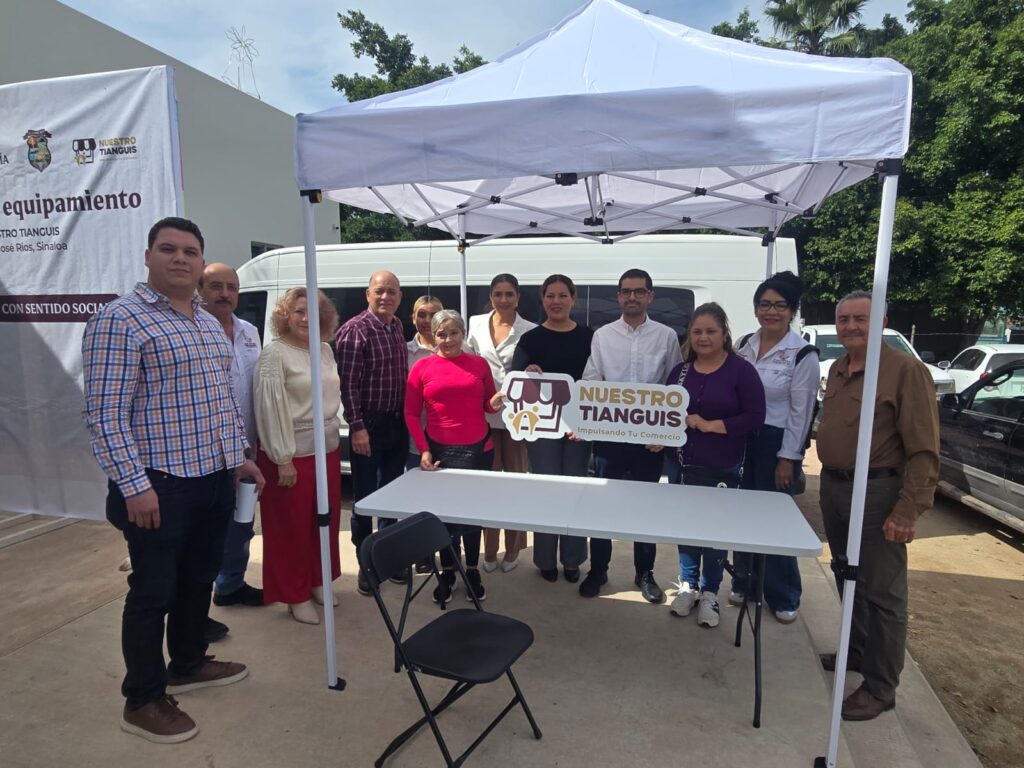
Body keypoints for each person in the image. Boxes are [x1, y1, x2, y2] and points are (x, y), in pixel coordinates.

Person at [82, 217, 264, 744]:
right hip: (159, 485)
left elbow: (220, 401)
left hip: (212, 478)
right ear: (148, 257)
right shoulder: (121, 319)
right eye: (168, 249)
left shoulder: (206, 321)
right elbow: (105, 415)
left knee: (198, 578)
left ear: (201, 261)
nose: (180, 258)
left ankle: (187, 662)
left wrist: (239, 458)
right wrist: (134, 485)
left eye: (190, 251)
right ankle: (142, 699)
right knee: (152, 592)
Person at [816, 291, 939, 721]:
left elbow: (924, 448)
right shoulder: (838, 367)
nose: (850, 326)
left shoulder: (905, 370)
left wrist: (908, 508)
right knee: (847, 574)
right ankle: (857, 651)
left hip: (878, 491)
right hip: (835, 487)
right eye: (843, 319)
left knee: (883, 592)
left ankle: (881, 687)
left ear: (882, 321)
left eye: (861, 319)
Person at [578, 269, 683, 602]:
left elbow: (675, 385)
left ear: (650, 296)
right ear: (619, 296)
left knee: (645, 510)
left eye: (639, 291)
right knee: (603, 509)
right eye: (626, 291)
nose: (632, 297)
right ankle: (598, 570)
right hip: (609, 438)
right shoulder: (603, 336)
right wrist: (582, 422)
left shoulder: (666, 336)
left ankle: (645, 573)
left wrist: (666, 433)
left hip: (649, 442)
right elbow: (591, 381)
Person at [666, 303, 765, 628]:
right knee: (686, 528)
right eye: (697, 332)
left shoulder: (741, 371)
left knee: (715, 532)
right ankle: (688, 586)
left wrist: (712, 426)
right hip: (682, 465)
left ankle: (710, 592)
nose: (703, 337)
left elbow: (755, 417)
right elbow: (664, 415)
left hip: (724, 465)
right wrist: (656, 435)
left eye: (711, 331)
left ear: (724, 334)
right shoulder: (680, 373)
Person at [731, 272, 819, 624]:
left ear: (792, 310)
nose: (771, 312)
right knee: (742, 515)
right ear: (755, 309)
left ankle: (783, 594)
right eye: (765, 304)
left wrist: (788, 458)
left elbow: (801, 413)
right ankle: (745, 583)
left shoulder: (802, 354)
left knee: (774, 520)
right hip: (742, 439)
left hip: (776, 443)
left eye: (780, 306)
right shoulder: (743, 344)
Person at [254, 288, 343, 625]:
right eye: (299, 311)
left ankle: (318, 579)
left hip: (328, 450)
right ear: (285, 316)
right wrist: (282, 458)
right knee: (290, 528)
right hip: (291, 454)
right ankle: (294, 594)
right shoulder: (274, 354)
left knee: (325, 520)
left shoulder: (324, 350)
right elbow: (269, 408)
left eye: (314, 311)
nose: (307, 318)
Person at [405, 309, 505, 605]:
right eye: (441, 334)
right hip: (439, 452)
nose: (448, 340)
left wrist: (498, 401)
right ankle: (448, 572)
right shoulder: (422, 367)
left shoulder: (479, 364)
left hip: (480, 450)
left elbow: (488, 405)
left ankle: (472, 570)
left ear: (463, 334)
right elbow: (410, 413)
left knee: (473, 515)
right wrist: (423, 448)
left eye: (454, 333)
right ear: (433, 336)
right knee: (443, 518)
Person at [511, 274, 593, 583]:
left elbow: (598, 381)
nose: (556, 301)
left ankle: (572, 560)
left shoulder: (589, 337)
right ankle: (545, 559)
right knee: (546, 493)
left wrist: (586, 423)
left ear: (573, 299)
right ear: (542, 300)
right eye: (550, 296)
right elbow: (515, 381)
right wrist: (527, 371)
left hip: (578, 429)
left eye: (562, 295)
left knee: (575, 492)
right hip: (542, 430)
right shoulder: (530, 339)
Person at [335, 271, 408, 595]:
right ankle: (366, 564)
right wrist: (357, 427)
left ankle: (387, 557)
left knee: (391, 495)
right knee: (365, 498)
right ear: (368, 294)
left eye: (391, 291)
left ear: (400, 297)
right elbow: (348, 385)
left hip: (396, 423)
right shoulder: (355, 330)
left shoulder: (397, 326)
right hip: (370, 426)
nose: (385, 297)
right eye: (379, 291)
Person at [199, 264, 265, 623]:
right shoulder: (193, 330)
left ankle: (230, 585)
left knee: (242, 523)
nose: (225, 294)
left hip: (248, 449)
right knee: (207, 531)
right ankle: (197, 608)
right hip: (209, 452)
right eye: (216, 286)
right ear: (200, 290)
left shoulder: (250, 332)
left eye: (232, 287)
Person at [468, 274, 536, 573]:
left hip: (517, 418)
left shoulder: (529, 330)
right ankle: (490, 549)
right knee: (489, 485)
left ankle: (513, 548)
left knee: (515, 484)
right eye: (498, 294)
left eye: (509, 294)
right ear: (491, 297)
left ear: (518, 297)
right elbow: (468, 364)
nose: (504, 299)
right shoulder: (475, 324)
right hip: (484, 415)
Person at [406, 295, 444, 470]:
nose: (427, 320)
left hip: (449, 439)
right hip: (414, 441)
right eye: (422, 315)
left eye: (433, 315)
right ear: (413, 318)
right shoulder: (404, 352)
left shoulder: (457, 349)